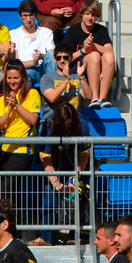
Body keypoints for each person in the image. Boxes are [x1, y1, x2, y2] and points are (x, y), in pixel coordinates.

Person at [34, 102, 91, 246]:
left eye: (69, 125)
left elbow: (85, 154)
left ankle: (78, 237)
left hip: (78, 162)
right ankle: (46, 237)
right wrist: (56, 183)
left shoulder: (82, 124)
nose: (66, 128)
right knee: (49, 192)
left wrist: (74, 178)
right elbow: (44, 157)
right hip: (55, 163)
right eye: (63, 125)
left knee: (83, 191)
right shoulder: (48, 124)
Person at [62, 0, 116, 108]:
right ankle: (94, 98)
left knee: (108, 56)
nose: (90, 18)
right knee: (94, 55)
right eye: (87, 14)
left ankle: (102, 99)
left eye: (93, 15)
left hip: (98, 68)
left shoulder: (101, 30)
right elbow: (64, 58)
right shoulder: (73, 31)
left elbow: (109, 52)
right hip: (78, 67)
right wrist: (83, 50)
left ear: (97, 17)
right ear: (82, 14)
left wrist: (93, 46)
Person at [0, 59, 41, 175]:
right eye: (9, 78)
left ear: (23, 78)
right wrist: (10, 108)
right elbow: (0, 125)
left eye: (16, 78)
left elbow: (33, 120)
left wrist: (17, 105)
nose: (12, 81)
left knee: (7, 190)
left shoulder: (32, 94)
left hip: (23, 150)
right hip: (5, 149)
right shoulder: (2, 99)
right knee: (7, 191)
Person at [40, 43, 90, 121]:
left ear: (71, 58)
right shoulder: (46, 78)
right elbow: (52, 98)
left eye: (65, 57)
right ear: (54, 59)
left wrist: (81, 77)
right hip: (52, 121)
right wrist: (66, 79)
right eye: (58, 58)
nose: (62, 60)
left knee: (83, 125)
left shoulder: (76, 78)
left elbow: (88, 96)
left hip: (73, 121)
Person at [10, 0, 55, 86]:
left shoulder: (46, 32)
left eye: (31, 16)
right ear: (20, 16)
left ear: (36, 15)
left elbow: (51, 57)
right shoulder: (13, 34)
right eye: (25, 16)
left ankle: (52, 92)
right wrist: (33, 62)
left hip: (44, 69)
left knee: (51, 54)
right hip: (26, 69)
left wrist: (40, 56)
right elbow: (15, 64)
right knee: (25, 75)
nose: (28, 19)